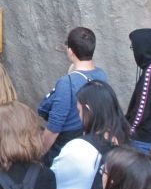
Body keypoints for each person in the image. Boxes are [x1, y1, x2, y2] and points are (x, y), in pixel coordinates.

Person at [38, 27, 107, 166]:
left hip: (64, 146)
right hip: (89, 141)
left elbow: (54, 128)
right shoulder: (101, 75)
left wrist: (39, 154)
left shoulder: (66, 83)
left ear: (70, 51)